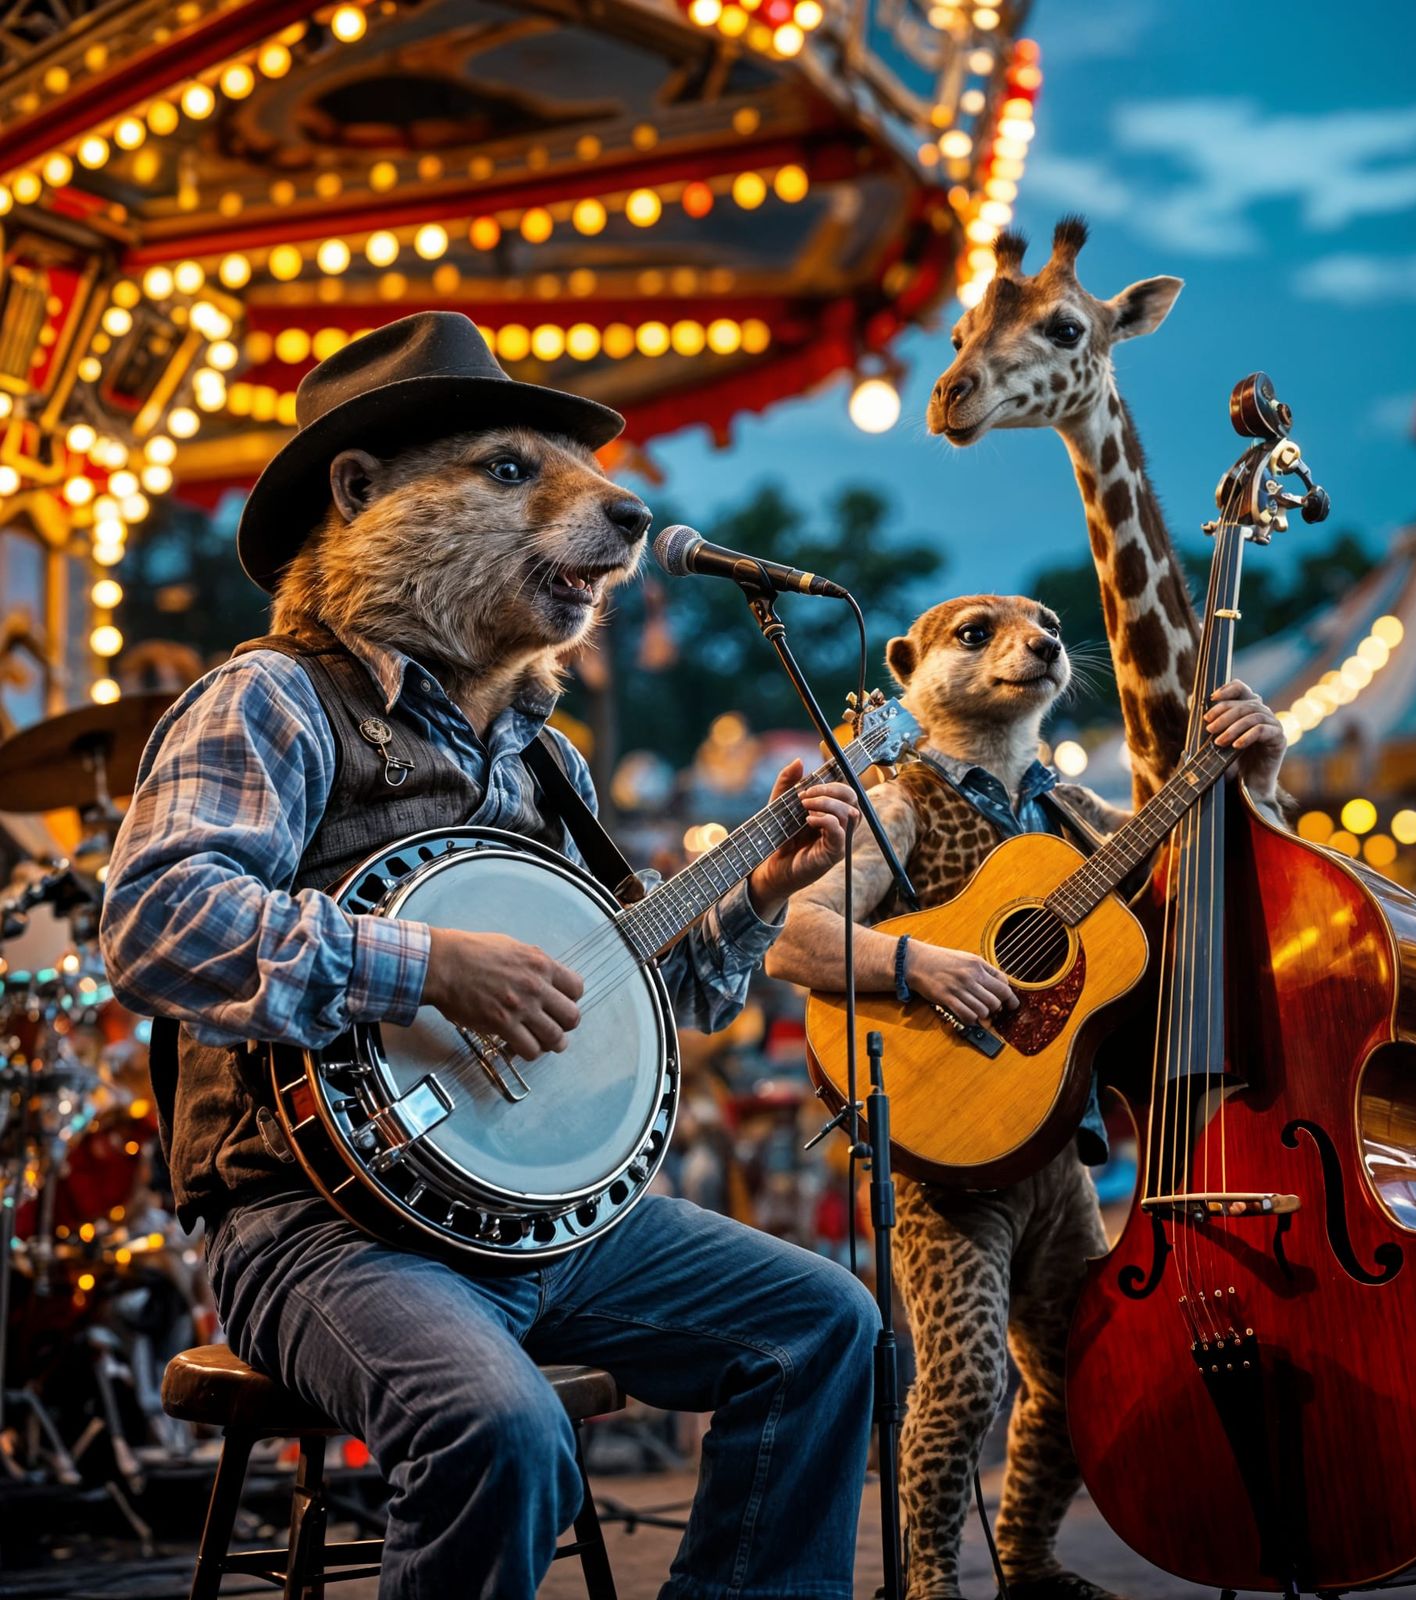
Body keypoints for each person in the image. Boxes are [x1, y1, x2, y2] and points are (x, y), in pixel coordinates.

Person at [100, 312, 877, 1600]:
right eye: (511, 471)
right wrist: (425, 965)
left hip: (537, 1222)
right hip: (318, 1230)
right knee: (501, 1428)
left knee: (824, 1324)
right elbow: (157, 921)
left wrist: (748, 902)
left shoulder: (547, 762)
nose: (612, 517)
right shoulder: (273, 698)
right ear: (362, 497)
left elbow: (642, 993)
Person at [767, 594, 1286, 1600]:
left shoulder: (1077, 816)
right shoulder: (899, 798)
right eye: (981, 634)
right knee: (964, 1380)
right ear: (913, 666)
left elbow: (1223, 894)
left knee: (1085, 1376)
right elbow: (794, 936)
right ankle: (926, 1581)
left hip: (1058, 1139)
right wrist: (916, 962)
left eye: (1046, 627)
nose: (1037, 642)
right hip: (942, 1143)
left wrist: (1254, 782)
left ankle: (1033, 1562)